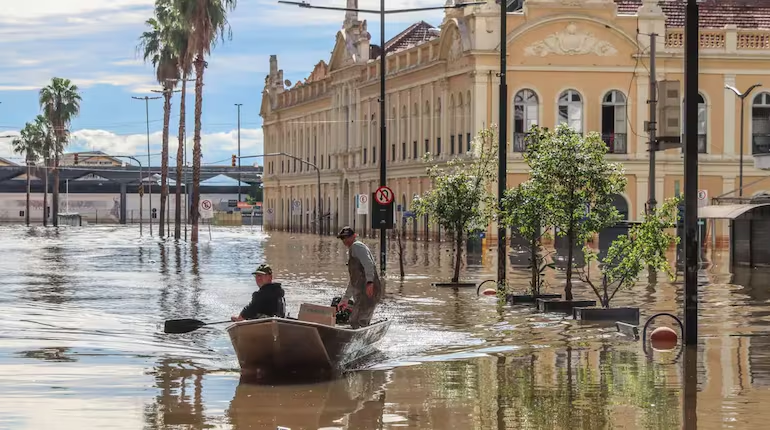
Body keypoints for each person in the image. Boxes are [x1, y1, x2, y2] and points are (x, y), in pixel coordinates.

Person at [336, 226, 383, 328]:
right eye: (343, 238)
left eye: (347, 237)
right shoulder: (353, 250)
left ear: (354, 236)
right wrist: (345, 299)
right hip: (362, 294)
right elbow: (353, 281)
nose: (345, 240)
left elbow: (369, 264)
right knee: (357, 320)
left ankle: (360, 340)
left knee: (358, 321)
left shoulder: (357, 246)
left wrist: (370, 283)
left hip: (369, 291)